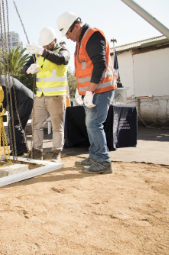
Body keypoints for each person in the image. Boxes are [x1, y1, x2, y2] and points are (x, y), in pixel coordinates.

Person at [57, 11, 117, 174]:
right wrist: (79, 89)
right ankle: (95, 156)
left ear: (76, 26)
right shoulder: (81, 39)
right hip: (91, 91)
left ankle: (103, 161)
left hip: (101, 89)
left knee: (94, 124)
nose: (67, 37)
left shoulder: (92, 36)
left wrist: (89, 91)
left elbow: (100, 65)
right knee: (90, 125)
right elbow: (84, 69)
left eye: (68, 33)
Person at [23, 27, 70, 163]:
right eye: (43, 45)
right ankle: (37, 151)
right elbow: (24, 67)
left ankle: (56, 152)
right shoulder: (37, 54)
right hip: (40, 96)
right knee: (36, 125)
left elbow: (61, 60)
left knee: (57, 126)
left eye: (47, 44)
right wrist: (28, 70)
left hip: (56, 96)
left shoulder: (63, 51)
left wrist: (42, 51)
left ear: (55, 41)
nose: (45, 47)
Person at [0, 70, 34, 156]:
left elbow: (3, 102)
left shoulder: (2, 83)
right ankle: (22, 148)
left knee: (14, 124)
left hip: (24, 99)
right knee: (16, 125)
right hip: (17, 102)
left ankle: (17, 151)